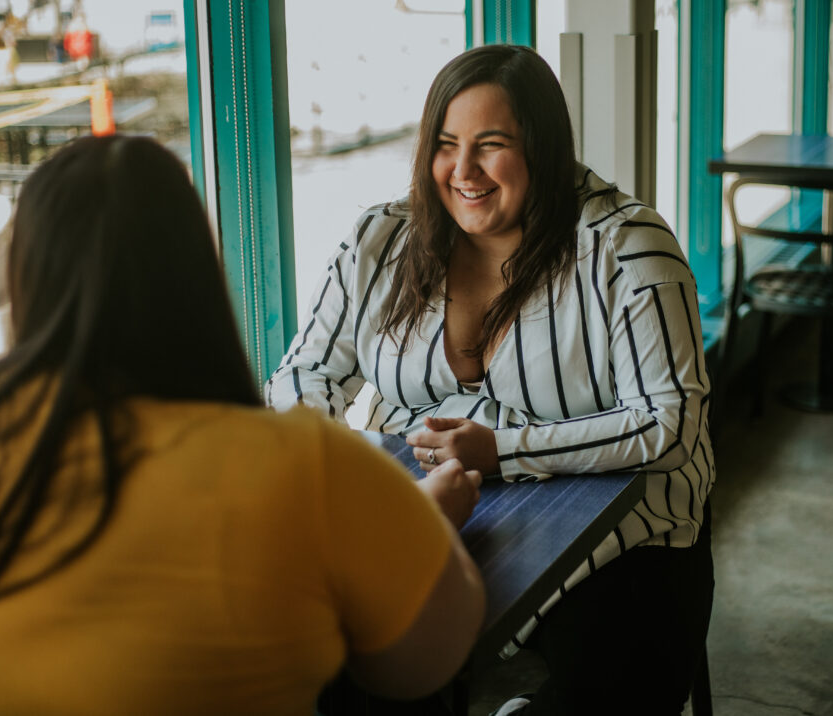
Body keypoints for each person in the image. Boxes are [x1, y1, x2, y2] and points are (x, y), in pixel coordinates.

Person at [0, 135, 485, 715]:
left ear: (24, 284)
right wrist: (422, 520)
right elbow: (426, 661)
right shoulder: (301, 461)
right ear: (196, 274)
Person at [267, 45, 715, 714]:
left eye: (491, 144)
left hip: (627, 541)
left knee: (607, 694)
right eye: (446, 145)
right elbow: (303, 378)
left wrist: (503, 452)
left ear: (543, 147)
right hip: (445, 523)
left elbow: (669, 423)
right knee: (343, 674)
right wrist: (342, 480)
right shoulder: (380, 240)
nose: (464, 171)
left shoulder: (627, 245)